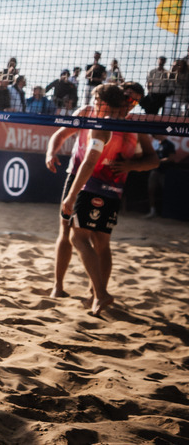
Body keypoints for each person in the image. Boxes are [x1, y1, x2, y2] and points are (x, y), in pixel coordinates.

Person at [58, 84, 157, 315]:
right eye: (128, 100)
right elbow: (63, 135)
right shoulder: (91, 114)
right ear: (120, 98)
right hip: (107, 188)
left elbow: (91, 161)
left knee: (80, 239)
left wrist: (132, 165)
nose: (130, 104)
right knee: (91, 241)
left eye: (135, 102)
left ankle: (100, 293)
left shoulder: (112, 124)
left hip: (96, 186)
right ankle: (93, 294)